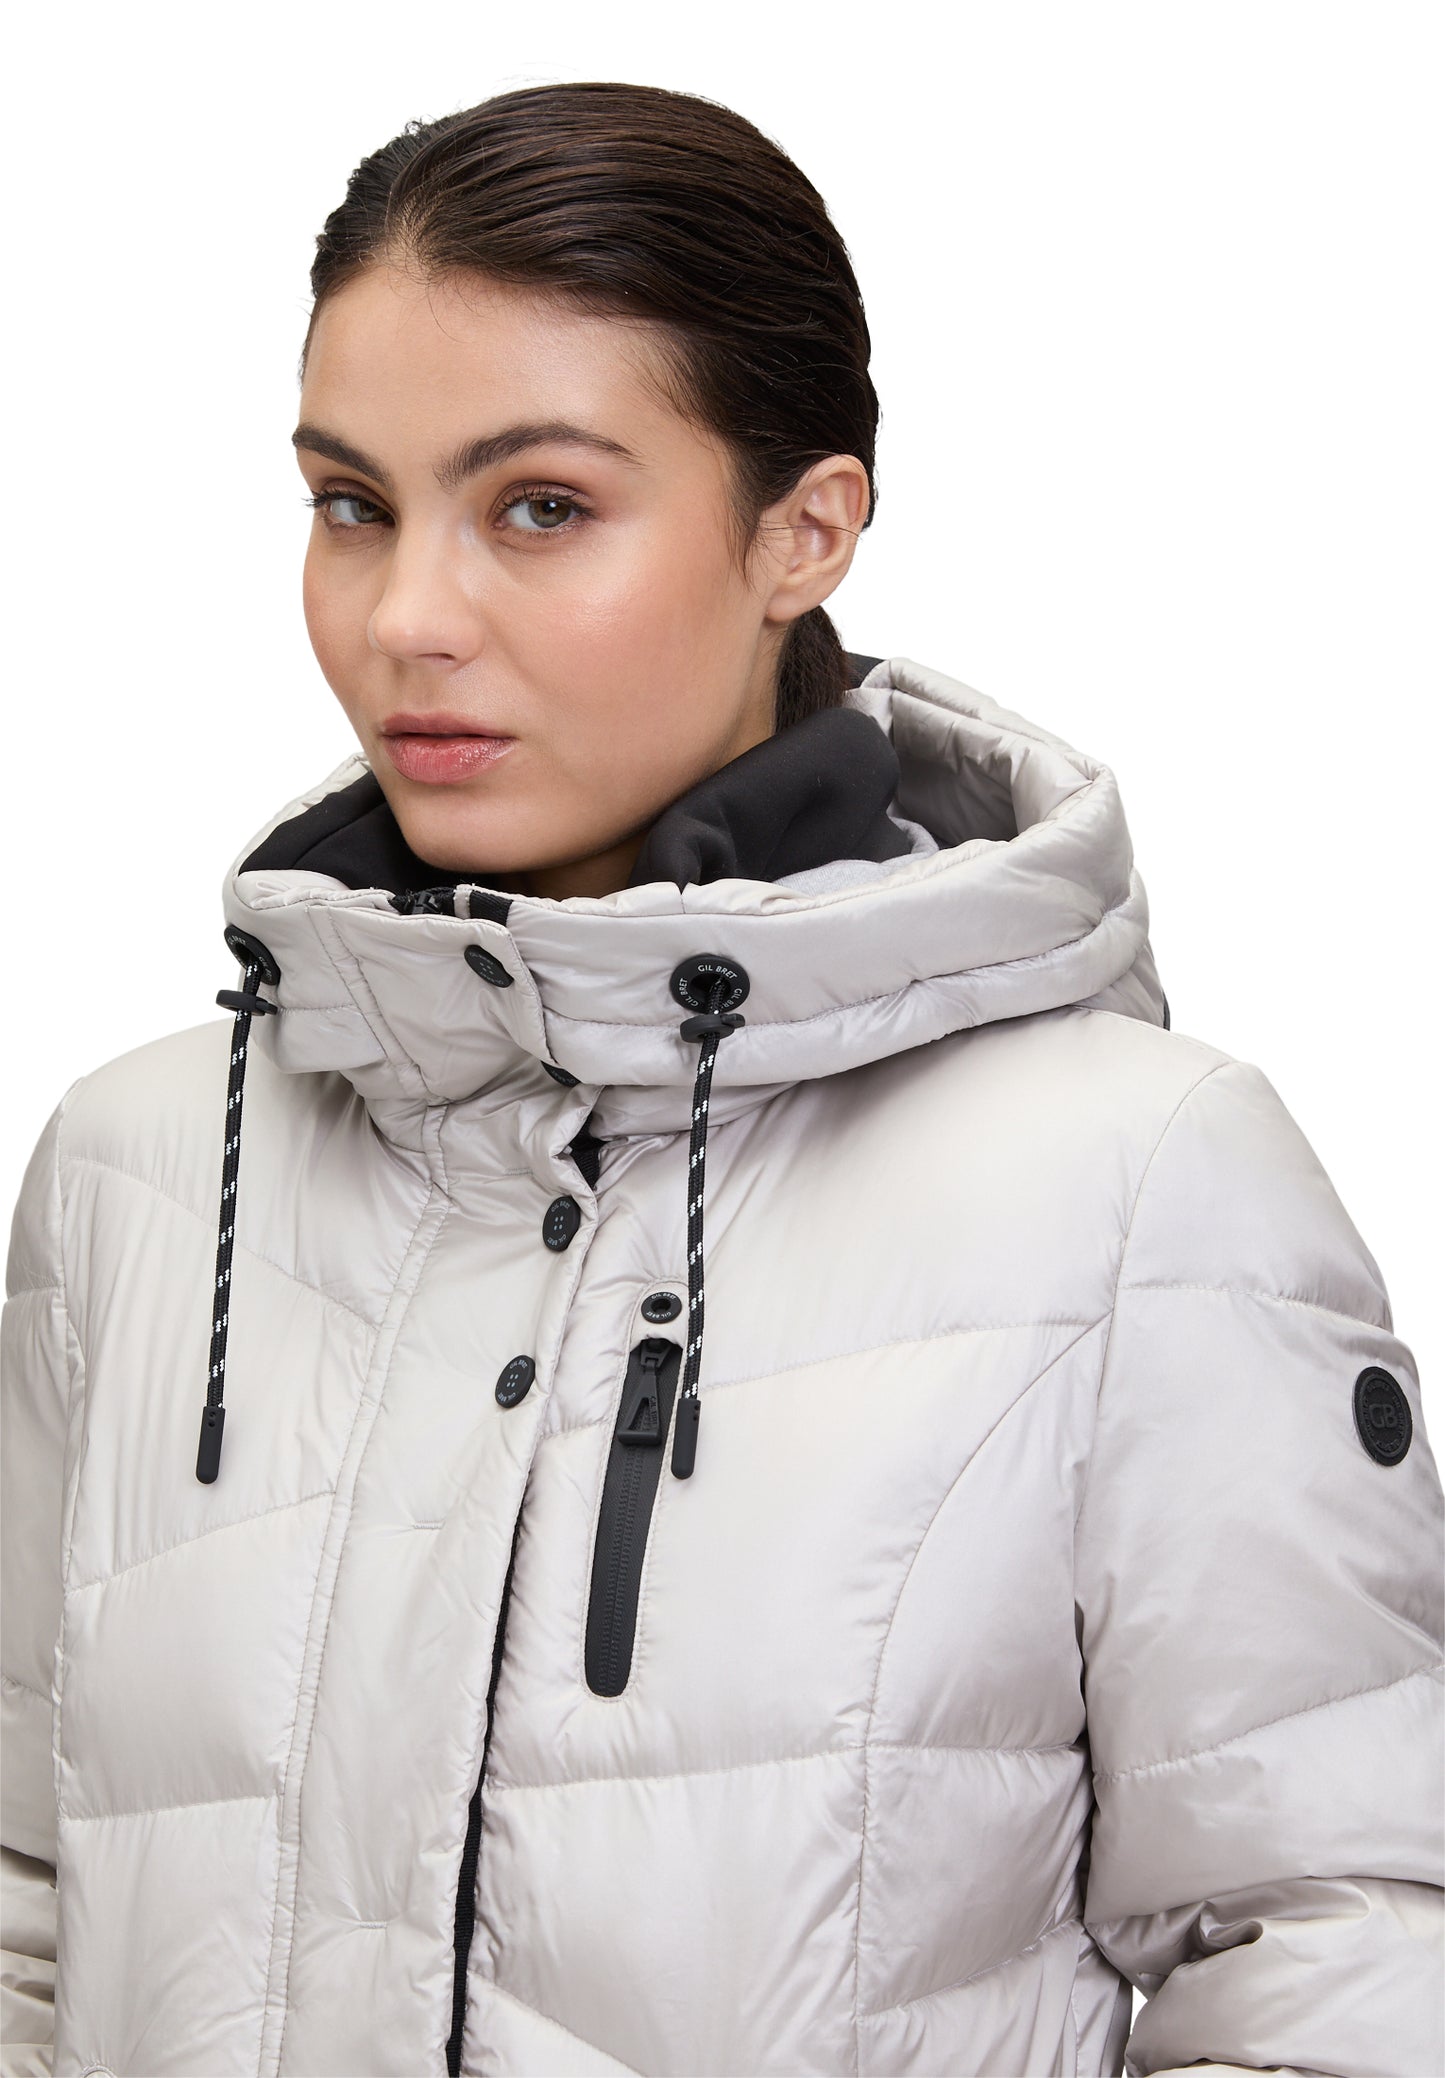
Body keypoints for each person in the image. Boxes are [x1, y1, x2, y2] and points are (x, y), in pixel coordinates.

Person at [2, 77, 1440, 2078]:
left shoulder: (1133, 1182)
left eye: (541, 506)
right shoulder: (146, 1172)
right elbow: (31, 1906)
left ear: (803, 530)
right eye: (352, 504)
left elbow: (1351, 1964)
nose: (406, 615)